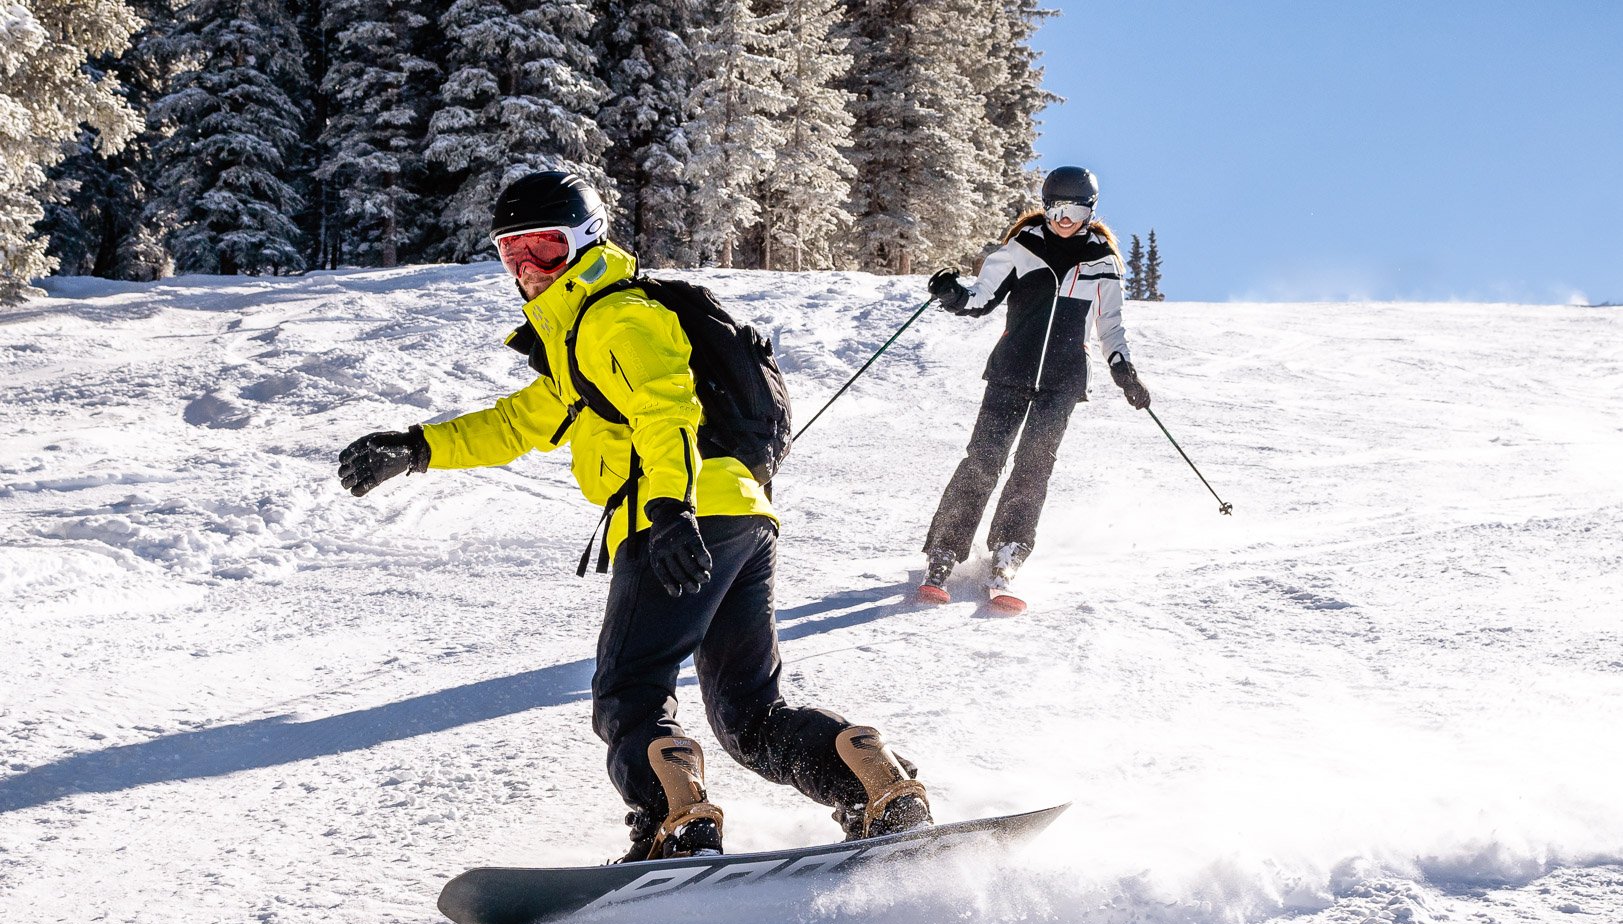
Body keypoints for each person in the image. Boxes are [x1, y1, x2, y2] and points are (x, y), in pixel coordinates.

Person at [337, 171, 930, 861]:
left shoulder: (617, 318)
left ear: (587, 242)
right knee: (749, 714)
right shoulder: (579, 340)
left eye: (545, 250)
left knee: (629, 693)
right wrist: (416, 448)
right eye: (512, 253)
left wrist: (669, 508)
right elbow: (520, 422)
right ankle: (868, 779)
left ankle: (673, 821)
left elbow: (667, 410)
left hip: (675, 517)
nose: (528, 270)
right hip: (738, 515)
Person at [920, 166, 1151, 596]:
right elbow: (979, 299)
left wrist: (1123, 369)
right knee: (984, 459)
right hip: (1011, 370)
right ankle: (944, 552)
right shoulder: (1021, 247)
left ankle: (1008, 552)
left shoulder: (1103, 263)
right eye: (1058, 208)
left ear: (1090, 210)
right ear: (1046, 208)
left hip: (1063, 382)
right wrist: (953, 295)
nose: (1066, 218)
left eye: (1076, 209)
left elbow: (1111, 326)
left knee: (1034, 465)